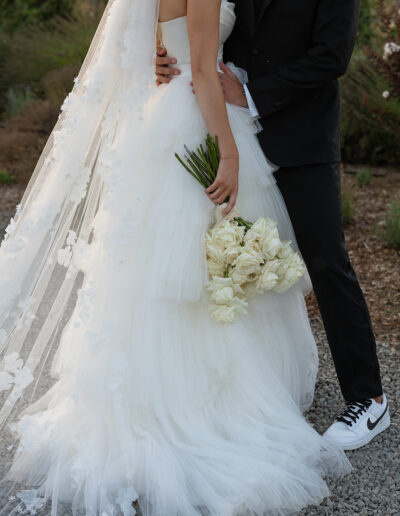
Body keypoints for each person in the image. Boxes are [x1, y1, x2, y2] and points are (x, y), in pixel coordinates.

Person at [0, 1, 351, 514]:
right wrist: (227, 154)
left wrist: (158, 59)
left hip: (160, 117)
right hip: (197, 119)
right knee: (199, 266)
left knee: (166, 269)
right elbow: (205, 74)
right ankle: (199, 401)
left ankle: (147, 388)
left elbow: (155, 45)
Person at [156, 0, 390, 452]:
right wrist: (167, 59)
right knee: (228, 262)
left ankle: (369, 397)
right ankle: (251, 388)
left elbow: (332, 54)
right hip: (229, 130)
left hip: (301, 135)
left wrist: (254, 93)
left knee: (325, 261)